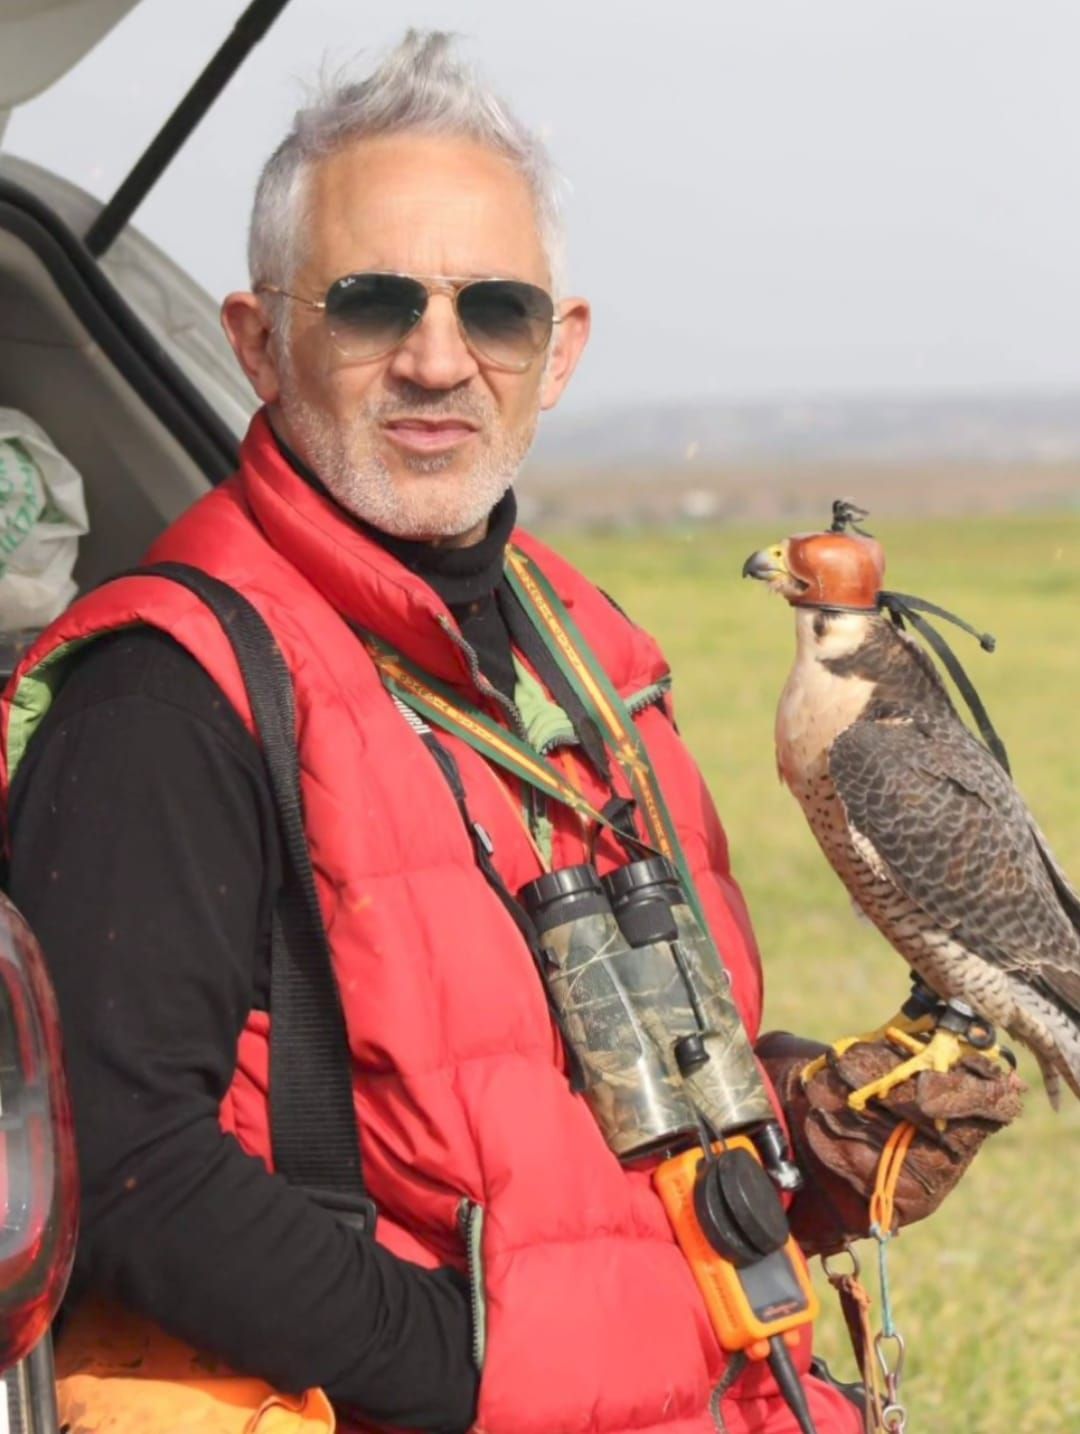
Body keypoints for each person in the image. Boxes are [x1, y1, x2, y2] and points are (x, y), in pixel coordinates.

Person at [0, 31, 1020, 1434]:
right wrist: (470, 1361)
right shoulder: (166, 693)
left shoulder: (593, 658)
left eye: (496, 310)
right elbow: (115, 1164)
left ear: (561, 350)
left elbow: (559, 1111)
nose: (438, 358)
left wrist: (797, 1135)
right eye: (369, 305)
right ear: (255, 338)